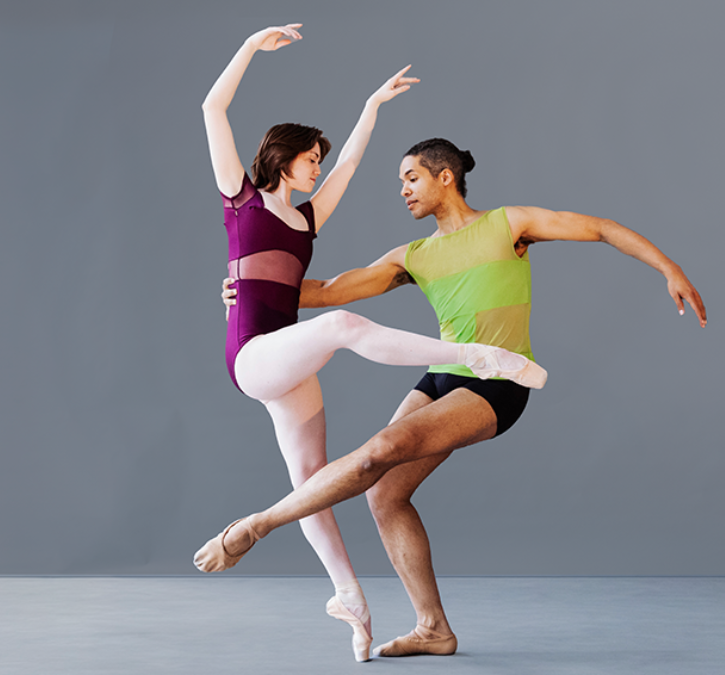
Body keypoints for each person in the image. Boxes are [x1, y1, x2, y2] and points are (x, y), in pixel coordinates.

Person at [214, 137, 707, 658]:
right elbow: (332, 288)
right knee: (383, 493)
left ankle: (258, 525)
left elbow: (600, 228)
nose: (402, 190)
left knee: (379, 453)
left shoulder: (508, 224)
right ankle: (433, 629)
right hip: (442, 377)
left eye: (411, 178)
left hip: (497, 383)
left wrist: (669, 267)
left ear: (444, 176)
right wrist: (248, 286)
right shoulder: (414, 256)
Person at [197, 26, 546, 663]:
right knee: (343, 329)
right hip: (252, 356)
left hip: (288, 356)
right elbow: (211, 109)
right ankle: (475, 357)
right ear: (284, 156)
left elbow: (353, 165)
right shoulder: (240, 199)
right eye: (311, 160)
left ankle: (351, 604)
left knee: (314, 482)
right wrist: (250, 47)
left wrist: (371, 107)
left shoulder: (306, 220)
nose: (319, 169)